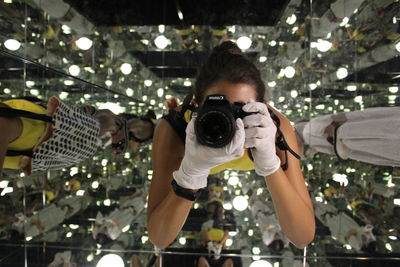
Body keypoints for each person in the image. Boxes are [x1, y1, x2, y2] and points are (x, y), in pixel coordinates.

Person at [147, 41, 315, 249]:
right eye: (217, 107)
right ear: (197, 105)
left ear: (261, 108)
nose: (228, 121)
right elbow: (159, 236)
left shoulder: (274, 127)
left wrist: (270, 164)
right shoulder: (175, 128)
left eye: (240, 110)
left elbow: (302, 236)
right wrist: (190, 174)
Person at [0, 96, 155, 176]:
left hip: (40, 142)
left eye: (136, 135)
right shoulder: (103, 120)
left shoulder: (99, 139)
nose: (133, 130)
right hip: (42, 130)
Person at [294, 107, 400, 166]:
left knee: (386, 139)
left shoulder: (308, 131)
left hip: (352, 137)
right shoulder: (310, 131)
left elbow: (329, 129)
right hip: (353, 135)